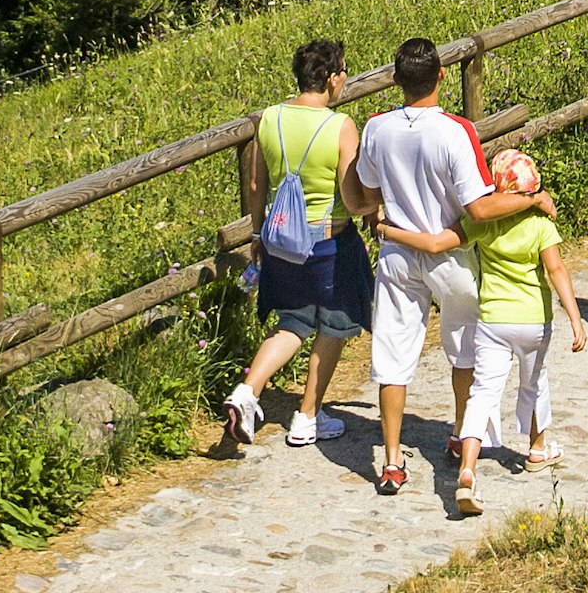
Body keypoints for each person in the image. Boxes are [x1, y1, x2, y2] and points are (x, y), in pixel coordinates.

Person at [348, 36, 552, 504]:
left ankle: (393, 460)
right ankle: (461, 431)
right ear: (441, 75)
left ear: (396, 81)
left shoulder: (376, 128)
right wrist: (530, 198)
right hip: (450, 253)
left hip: (399, 251)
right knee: (463, 349)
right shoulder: (456, 131)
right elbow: (478, 208)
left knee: (393, 356)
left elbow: (369, 190)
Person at [228, 37, 370, 451]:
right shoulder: (340, 126)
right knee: (336, 323)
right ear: (329, 78)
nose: (344, 79)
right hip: (329, 242)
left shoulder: (269, 119)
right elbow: (353, 195)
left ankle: (247, 392)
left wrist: (257, 234)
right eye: (342, 72)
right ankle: (307, 415)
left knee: (292, 322)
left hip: (279, 240)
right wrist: (380, 203)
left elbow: (257, 184)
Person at [453, 148, 587, 507]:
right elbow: (556, 270)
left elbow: (453, 238)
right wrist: (575, 317)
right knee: (534, 382)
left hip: (493, 319)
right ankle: (537, 449)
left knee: (482, 392)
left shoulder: (483, 224)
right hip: (532, 320)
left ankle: (467, 468)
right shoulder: (540, 224)